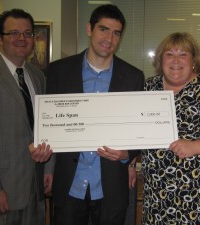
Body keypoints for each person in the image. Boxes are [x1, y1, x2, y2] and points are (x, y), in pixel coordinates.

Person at [44, 4, 144, 225]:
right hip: (69, 183)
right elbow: (49, 123)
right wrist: (45, 160)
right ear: (90, 29)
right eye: (103, 29)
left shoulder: (133, 77)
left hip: (110, 186)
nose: (109, 38)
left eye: (116, 33)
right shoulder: (59, 71)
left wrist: (127, 154)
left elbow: (138, 130)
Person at [141, 32, 200, 224]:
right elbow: (133, 129)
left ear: (194, 60)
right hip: (158, 195)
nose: (176, 60)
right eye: (169, 54)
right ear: (160, 59)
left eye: (183, 54)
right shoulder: (148, 88)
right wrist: (131, 164)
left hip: (199, 196)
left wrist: (195, 146)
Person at [0, 9, 54, 225]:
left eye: (28, 34)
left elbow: (45, 127)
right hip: (1, 192)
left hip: (35, 188)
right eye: (14, 33)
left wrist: (48, 168)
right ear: (0, 39)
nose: (22, 39)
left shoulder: (38, 76)